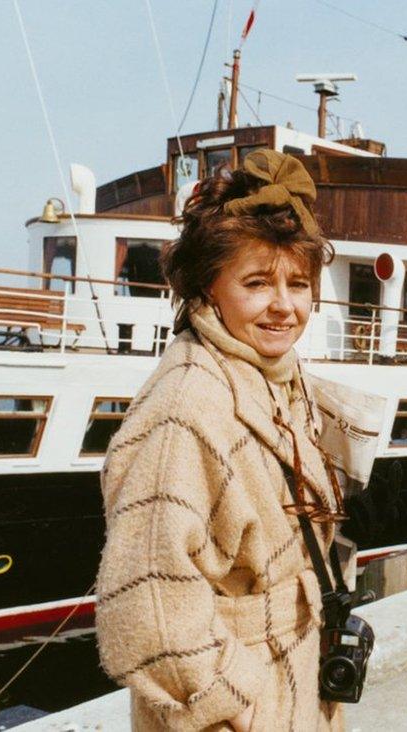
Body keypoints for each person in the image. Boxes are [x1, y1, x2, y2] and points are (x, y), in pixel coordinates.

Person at [95, 150, 345, 731]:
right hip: (237, 705)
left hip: (293, 675)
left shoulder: (267, 374)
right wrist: (232, 704)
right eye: (257, 283)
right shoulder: (184, 406)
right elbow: (147, 595)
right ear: (209, 287)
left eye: (298, 284)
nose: (284, 305)